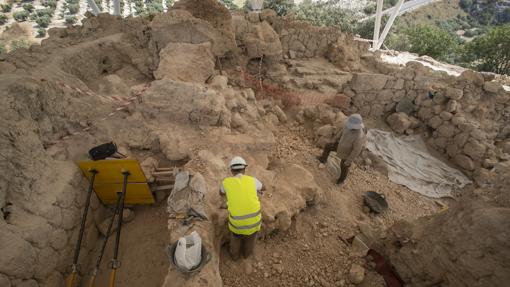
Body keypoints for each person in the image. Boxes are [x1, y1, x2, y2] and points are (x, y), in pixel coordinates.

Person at [220, 156, 263, 260]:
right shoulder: (253, 180)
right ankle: (246, 255)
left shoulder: (226, 182)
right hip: (255, 224)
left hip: (237, 226)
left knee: (235, 240)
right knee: (250, 241)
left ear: (231, 170)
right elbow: (263, 187)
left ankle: (234, 257)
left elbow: (221, 192)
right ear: (244, 169)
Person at [318, 114, 366, 185]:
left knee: (344, 166)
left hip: (347, 153)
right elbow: (341, 133)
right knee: (328, 146)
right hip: (339, 146)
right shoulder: (347, 126)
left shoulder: (359, 136)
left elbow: (356, 151)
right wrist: (335, 140)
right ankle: (323, 160)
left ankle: (341, 180)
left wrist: (348, 161)